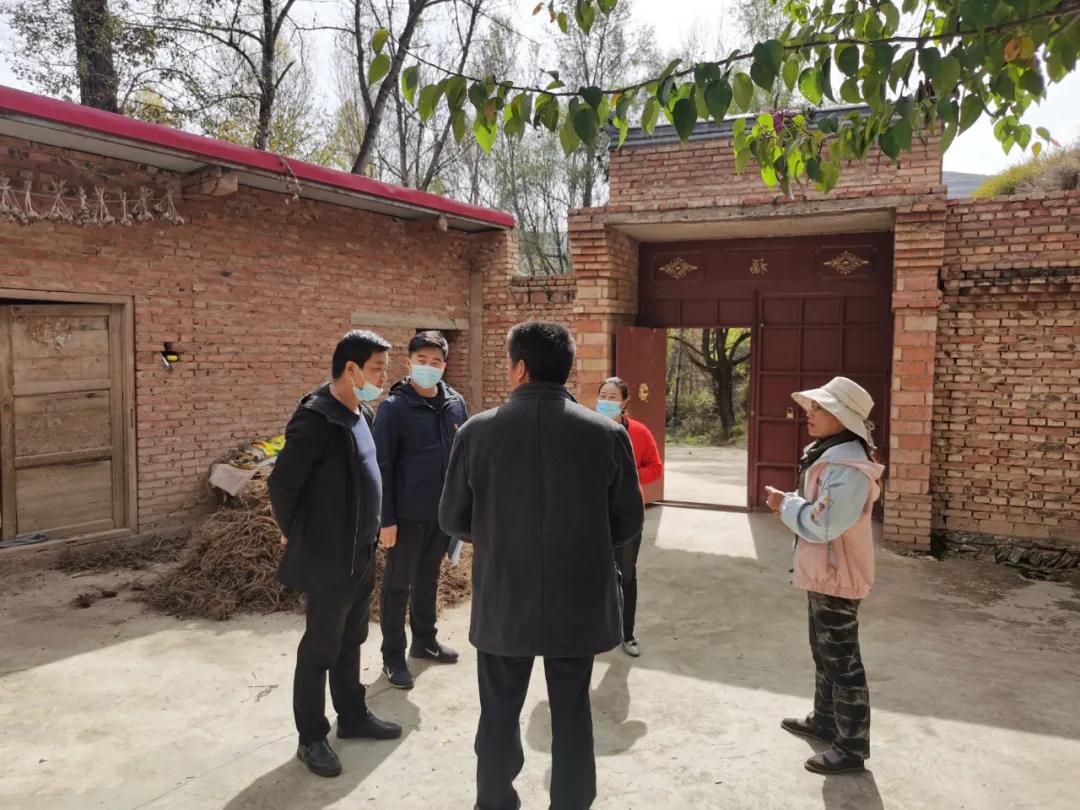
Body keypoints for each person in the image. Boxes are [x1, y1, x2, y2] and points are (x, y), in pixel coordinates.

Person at [439, 322, 644, 810]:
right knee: (572, 710)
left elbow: (452, 519)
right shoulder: (607, 434)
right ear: (567, 369)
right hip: (578, 601)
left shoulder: (477, 432)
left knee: (498, 711)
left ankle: (495, 800)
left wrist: (500, 534)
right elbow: (627, 522)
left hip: (504, 597)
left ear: (519, 368)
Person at [268, 330, 403, 779]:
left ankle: (353, 715)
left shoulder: (361, 413)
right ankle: (311, 737)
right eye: (378, 368)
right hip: (329, 555)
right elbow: (282, 485)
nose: (383, 377)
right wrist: (297, 534)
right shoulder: (317, 418)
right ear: (351, 369)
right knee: (321, 646)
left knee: (352, 638)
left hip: (361, 550)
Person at [763, 376, 884, 776]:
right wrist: (792, 504)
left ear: (842, 418)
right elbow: (820, 512)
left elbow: (823, 524)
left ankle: (851, 747)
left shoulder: (848, 468)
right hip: (826, 573)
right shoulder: (831, 455)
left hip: (838, 576)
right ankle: (825, 720)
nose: (809, 414)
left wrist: (785, 506)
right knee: (824, 652)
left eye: (820, 409)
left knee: (843, 661)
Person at [373, 330, 469, 689]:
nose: (429, 367)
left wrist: (463, 507)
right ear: (409, 362)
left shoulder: (455, 403)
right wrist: (386, 519)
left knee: (429, 578)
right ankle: (392, 656)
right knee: (398, 585)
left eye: (436, 362)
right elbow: (382, 466)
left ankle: (425, 641)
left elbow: (463, 458)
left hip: (442, 514)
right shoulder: (394, 409)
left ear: (445, 365)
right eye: (421, 360)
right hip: (406, 515)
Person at [596, 376, 663, 657]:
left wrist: (628, 476)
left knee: (626, 574)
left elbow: (655, 467)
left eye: (612, 397)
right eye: (602, 395)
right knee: (593, 573)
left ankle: (628, 633)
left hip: (626, 513)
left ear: (624, 402)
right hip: (593, 514)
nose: (606, 401)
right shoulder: (587, 429)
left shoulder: (639, 432)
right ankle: (595, 631)